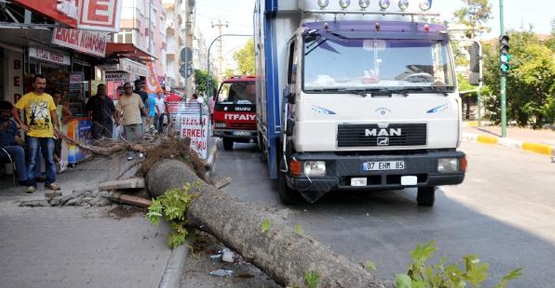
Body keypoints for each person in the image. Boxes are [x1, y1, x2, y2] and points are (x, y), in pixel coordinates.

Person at [12, 74, 62, 193]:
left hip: (48, 134)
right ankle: (31, 184)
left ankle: (50, 182)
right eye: (39, 83)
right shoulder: (27, 97)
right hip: (33, 134)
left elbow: (53, 113)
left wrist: (56, 127)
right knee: (32, 160)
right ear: (34, 84)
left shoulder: (49, 98)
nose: (41, 86)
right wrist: (21, 124)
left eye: (43, 84)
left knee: (50, 159)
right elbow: (14, 110)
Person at [114, 82, 148, 161]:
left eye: (129, 87)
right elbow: (118, 111)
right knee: (129, 140)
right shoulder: (121, 98)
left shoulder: (137, 96)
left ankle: (140, 152)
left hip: (137, 121)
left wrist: (147, 116)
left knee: (139, 138)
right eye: (126, 88)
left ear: (132, 88)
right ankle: (131, 154)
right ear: (124, 89)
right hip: (127, 123)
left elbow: (142, 107)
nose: (128, 89)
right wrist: (118, 119)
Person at [0, 100, 30, 187]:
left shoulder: (12, 123)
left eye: (7, 112)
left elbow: (17, 139)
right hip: (2, 149)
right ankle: (23, 179)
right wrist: (1, 128)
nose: (5, 114)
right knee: (19, 150)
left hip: (12, 148)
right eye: (3, 112)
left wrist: (26, 144)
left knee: (30, 149)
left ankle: (30, 175)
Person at [52, 90, 72, 173]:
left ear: (60, 99)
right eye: (55, 97)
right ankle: (60, 162)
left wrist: (63, 121)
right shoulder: (48, 105)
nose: (56, 99)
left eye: (58, 97)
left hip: (57, 130)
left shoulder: (61, 107)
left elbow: (70, 114)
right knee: (49, 149)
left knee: (55, 149)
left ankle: (60, 163)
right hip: (48, 130)